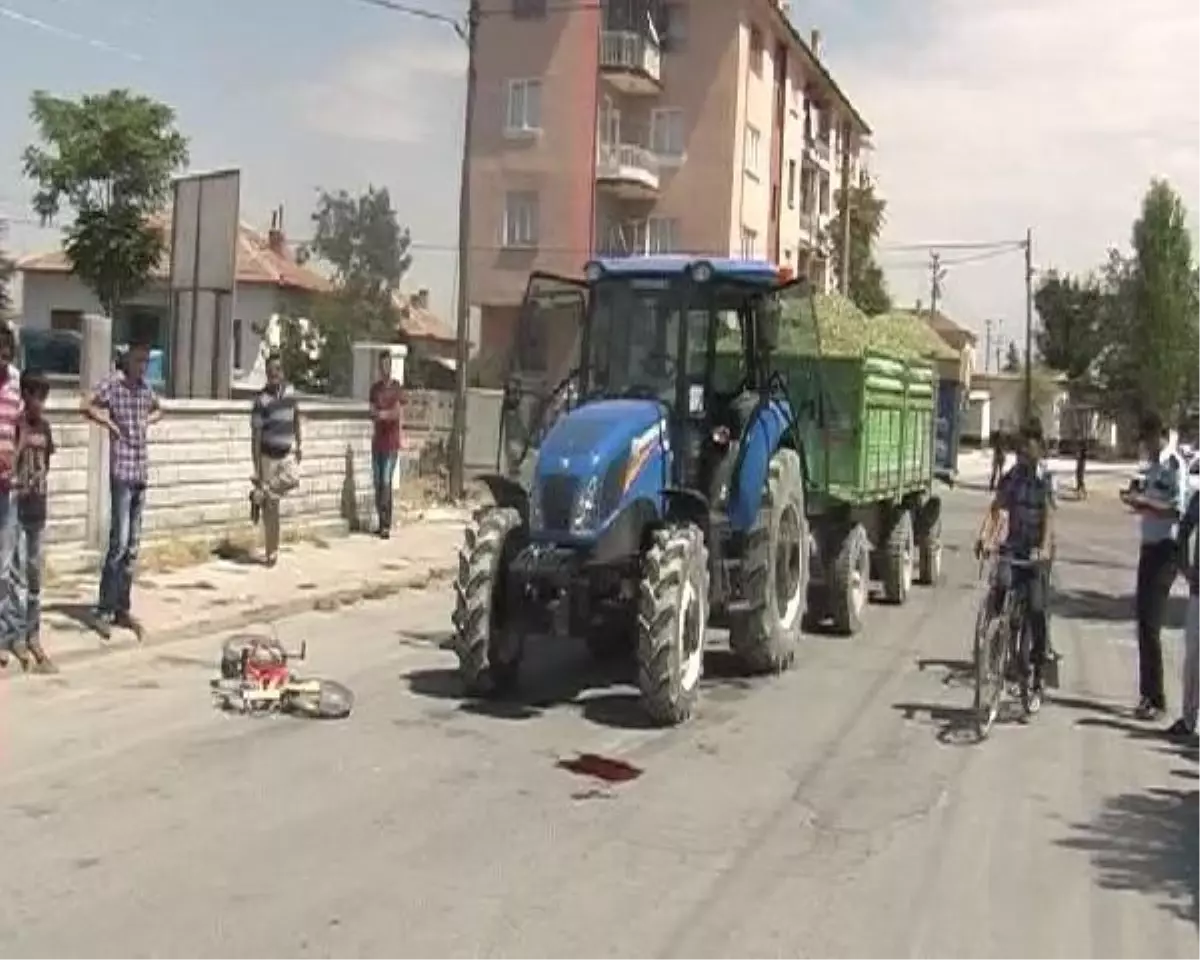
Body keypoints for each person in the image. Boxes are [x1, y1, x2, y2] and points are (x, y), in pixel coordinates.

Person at [974, 417, 1056, 711]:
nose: (1023, 454)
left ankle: (1037, 674)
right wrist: (985, 537)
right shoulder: (1013, 476)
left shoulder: (1045, 478)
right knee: (1001, 586)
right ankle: (995, 648)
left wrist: (1043, 548)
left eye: (1028, 448)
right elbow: (997, 509)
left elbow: (1048, 518)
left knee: (1036, 608)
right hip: (1014, 548)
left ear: (1038, 448)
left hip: (1036, 554)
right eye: (1020, 448)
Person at [83, 339, 161, 639]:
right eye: (138, 361)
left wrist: (146, 421)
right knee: (119, 542)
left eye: (145, 361)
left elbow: (159, 409)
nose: (142, 366)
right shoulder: (114, 385)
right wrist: (109, 424)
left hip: (140, 471)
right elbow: (86, 404)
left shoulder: (145, 389)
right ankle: (104, 606)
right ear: (127, 360)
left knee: (133, 546)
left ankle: (122, 606)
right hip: (122, 471)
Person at [1121, 411, 1186, 721]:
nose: (1145, 445)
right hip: (1149, 549)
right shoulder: (1156, 466)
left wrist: (1146, 505)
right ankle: (1148, 694)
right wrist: (1136, 499)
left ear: (1159, 435)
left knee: (1150, 623)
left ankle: (1156, 699)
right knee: (1143, 622)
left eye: (1148, 439)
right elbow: (1150, 498)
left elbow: (1176, 509)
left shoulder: (1174, 465)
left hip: (1166, 550)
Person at [10, 370, 57, 672]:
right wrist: (21, 443)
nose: (39, 403)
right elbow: (10, 460)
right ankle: (15, 634)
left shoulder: (46, 427)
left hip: (38, 505)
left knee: (34, 573)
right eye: (34, 396)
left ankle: (33, 633)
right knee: (17, 574)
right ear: (24, 396)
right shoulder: (16, 425)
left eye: (43, 397)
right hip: (17, 505)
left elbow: (48, 463)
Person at [250, 353, 301, 567]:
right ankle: (272, 552)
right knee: (272, 510)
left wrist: (300, 443)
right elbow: (256, 436)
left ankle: (260, 493)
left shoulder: (290, 393)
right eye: (270, 371)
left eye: (277, 370)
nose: (274, 375)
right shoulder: (261, 400)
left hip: (287, 453)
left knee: (294, 478)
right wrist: (258, 468)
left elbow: (297, 417)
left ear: (282, 372)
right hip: (268, 457)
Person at [0, 324, 23, 668]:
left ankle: (5, 635)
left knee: (5, 563)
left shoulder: (16, 382)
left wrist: (14, 460)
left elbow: (22, 427)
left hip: (7, 486)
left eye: (6, 352)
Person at [368, 350, 403, 538]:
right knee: (377, 483)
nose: (385, 368)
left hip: (391, 444)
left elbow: (396, 413)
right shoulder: (375, 389)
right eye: (382, 365)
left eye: (388, 365)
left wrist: (382, 414)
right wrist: (382, 414)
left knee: (386, 481)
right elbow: (371, 411)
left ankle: (386, 525)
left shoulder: (396, 388)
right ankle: (381, 522)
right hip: (377, 442)